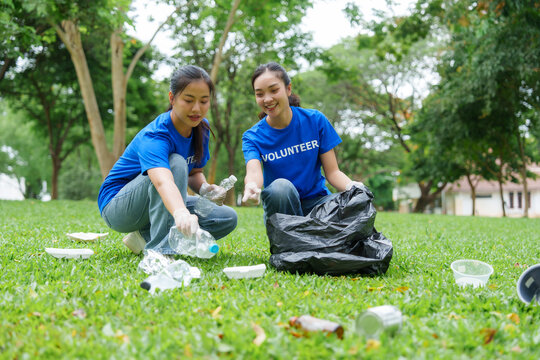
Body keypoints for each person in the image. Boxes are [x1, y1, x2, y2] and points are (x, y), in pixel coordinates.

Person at [98, 65, 237, 255]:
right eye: (189, 100)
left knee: (227, 218)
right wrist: (180, 212)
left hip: (158, 198)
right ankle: (161, 251)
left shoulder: (201, 128)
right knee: (176, 162)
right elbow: (162, 181)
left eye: (204, 101)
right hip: (118, 208)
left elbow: (194, 172)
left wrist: (205, 188)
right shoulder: (156, 135)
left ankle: (143, 236)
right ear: (172, 98)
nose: (197, 108)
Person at [241, 62, 364, 218]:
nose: (267, 99)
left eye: (274, 90)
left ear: (288, 89)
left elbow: (333, 172)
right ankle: (291, 239)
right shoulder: (253, 137)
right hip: (283, 211)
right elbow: (253, 172)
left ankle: (318, 235)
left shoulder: (315, 120)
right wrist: (251, 186)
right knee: (280, 187)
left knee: (353, 203)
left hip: (319, 206)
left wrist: (352, 187)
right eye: (259, 94)